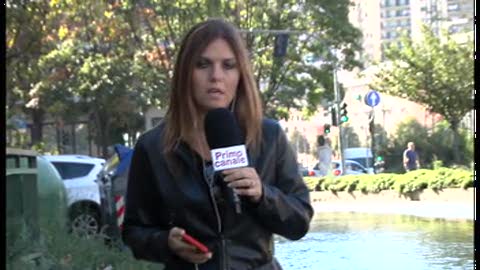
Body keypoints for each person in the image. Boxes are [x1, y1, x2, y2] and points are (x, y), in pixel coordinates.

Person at [122, 18, 313, 270]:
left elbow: (299, 222)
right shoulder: (153, 147)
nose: (216, 77)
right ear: (185, 73)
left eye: (228, 66)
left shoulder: (269, 136)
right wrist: (166, 243)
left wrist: (262, 194)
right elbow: (135, 233)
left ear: (240, 75)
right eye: (203, 65)